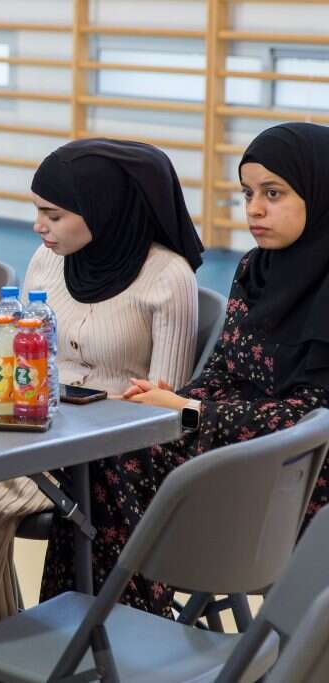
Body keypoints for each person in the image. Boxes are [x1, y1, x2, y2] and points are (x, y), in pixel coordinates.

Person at [42, 123, 329, 614]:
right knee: (105, 453)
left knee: (113, 465)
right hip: (230, 446)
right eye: (247, 193)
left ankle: (119, 628)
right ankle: (91, 628)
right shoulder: (255, 269)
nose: (254, 209)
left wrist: (189, 410)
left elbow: (312, 417)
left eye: (273, 193)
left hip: (296, 473)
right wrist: (165, 400)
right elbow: (222, 371)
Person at [0, 138, 204, 638]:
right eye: (37, 211)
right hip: (38, 427)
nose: (38, 226)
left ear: (101, 210)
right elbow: (20, 353)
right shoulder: (47, 261)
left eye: (53, 215)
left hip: (112, 455)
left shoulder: (168, 277)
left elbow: (163, 408)